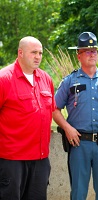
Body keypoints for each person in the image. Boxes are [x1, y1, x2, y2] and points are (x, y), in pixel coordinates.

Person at [52, 32, 98, 200]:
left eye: (95, 51)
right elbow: (54, 109)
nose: (92, 54)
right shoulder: (69, 81)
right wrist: (67, 128)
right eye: (87, 51)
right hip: (79, 144)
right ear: (79, 55)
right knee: (78, 192)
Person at [0, 36, 56, 199]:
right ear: (20, 53)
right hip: (12, 161)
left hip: (40, 160)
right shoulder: (4, 79)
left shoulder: (46, 79)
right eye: (33, 52)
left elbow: (49, 112)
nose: (38, 56)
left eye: (40, 53)